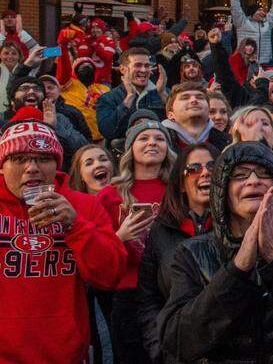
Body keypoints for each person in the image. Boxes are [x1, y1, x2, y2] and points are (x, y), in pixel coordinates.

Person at [158, 141, 273, 363]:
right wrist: (236, 271)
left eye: (264, 174)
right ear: (222, 191)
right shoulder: (192, 252)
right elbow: (178, 341)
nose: (253, 181)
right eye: (240, 175)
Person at [0, 113, 127, 364]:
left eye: (43, 159)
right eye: (19, 158)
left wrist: (75, 226)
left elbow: (110, 274)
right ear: (2, 165)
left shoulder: (84, 205)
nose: (32, 167)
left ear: (57, 163)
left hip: (65, 353)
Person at [99, 116, 175, 364]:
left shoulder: (180, 188)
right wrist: (120, 236)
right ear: (130, 148)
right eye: (143, 138)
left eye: (160, 139)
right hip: (128, 291)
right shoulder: (111, 193)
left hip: (172, 289)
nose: (152, 142)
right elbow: (98, 248)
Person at [137, 143, 216, 363]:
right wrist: (161, 347)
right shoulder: (162, 231)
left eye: (212, 166)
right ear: (181, 184)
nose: (205, 172)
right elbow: (148, 298)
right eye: (194, 169)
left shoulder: (239, 226)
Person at [95, 47, 167, 143]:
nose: (143, 70)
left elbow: (177, 124)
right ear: (122, 69)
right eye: (138, 65)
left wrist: (163, 95)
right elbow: (108, 132)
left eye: (147, 65)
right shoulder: (107, 99)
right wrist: (129, 97)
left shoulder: (162, 92)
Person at [162, 81, 231, 152]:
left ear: (208, 110)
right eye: (185, 98)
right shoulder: (159, 141)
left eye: (200, 97)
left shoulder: (229, 143)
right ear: (170, 115)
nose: (194, 100)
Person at [229, 0, 273, 65]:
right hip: (245, 62)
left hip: (264, 63)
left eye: (263, 10)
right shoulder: (242, 22)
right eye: (259, 10)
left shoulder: (267, 23)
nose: (262, 12)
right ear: (252, 13)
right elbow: (235, 8)